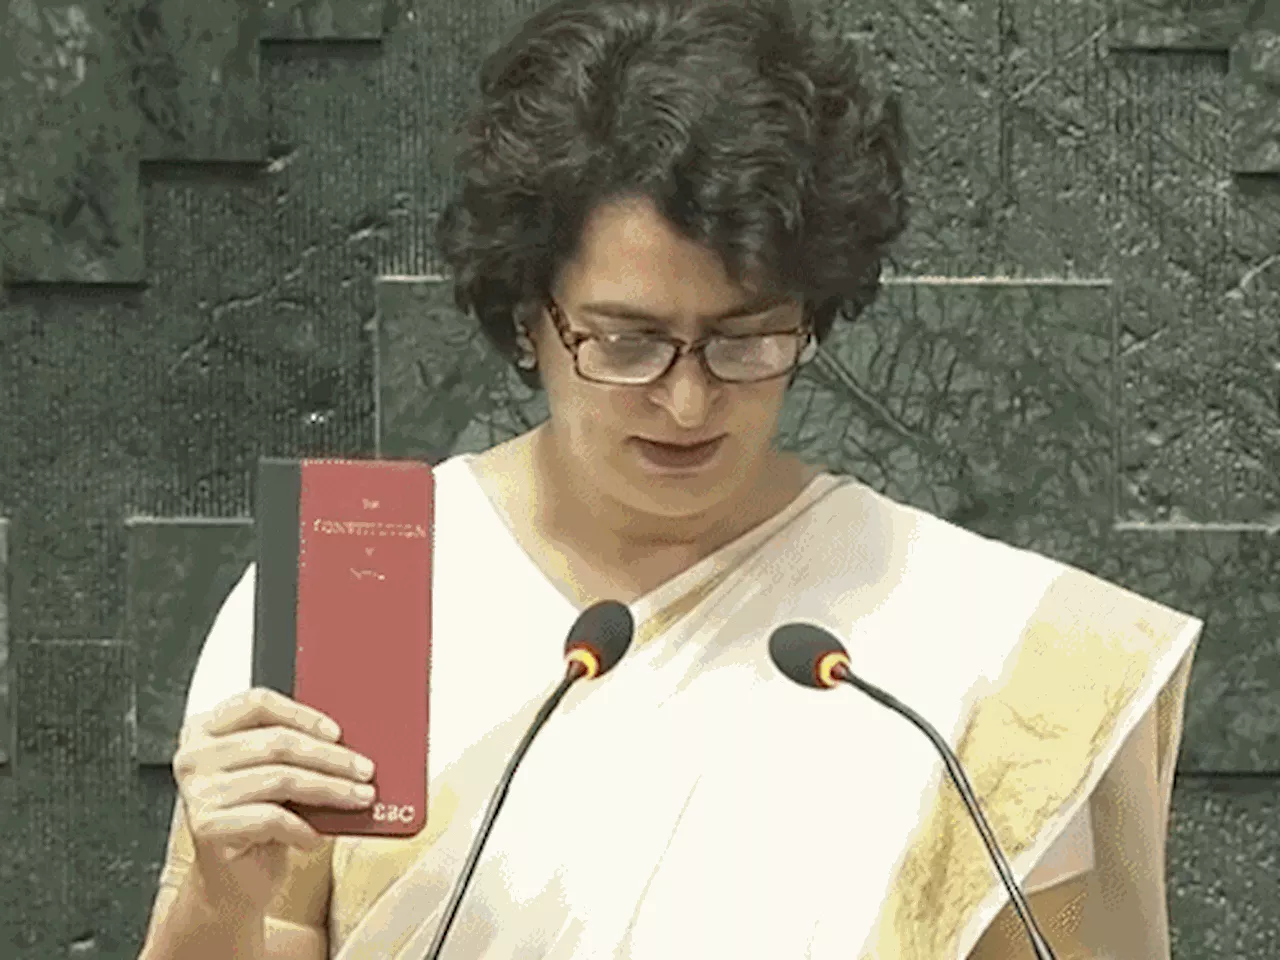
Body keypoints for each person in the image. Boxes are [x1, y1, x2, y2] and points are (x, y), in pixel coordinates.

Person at [138, 0, 1201, 957]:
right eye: (627, 341)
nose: (687, 403)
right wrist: (220, 899)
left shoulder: (983, 649)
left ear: (811, 313)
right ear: (526, 318)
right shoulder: (356, 590)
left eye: (744, 342)